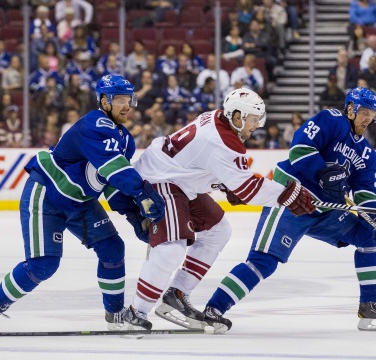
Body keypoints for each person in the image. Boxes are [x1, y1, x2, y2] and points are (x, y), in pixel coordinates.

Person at [0, 75, 167, 334]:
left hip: (80, 202)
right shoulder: (95, 125)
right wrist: (144, 194)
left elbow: (111, 182)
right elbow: (117, 170)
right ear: (103, 101)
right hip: (47, 195)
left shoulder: (125, 140)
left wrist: (133, 214)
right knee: (44, 265)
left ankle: (115, 313)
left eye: (128, 100)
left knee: (112, 248)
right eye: (118, 100)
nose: (126, 105)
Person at [202, 87, 376, 334]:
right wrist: (322, 173)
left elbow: (365, 191)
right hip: (293, 199)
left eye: (373, 114)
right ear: (351, 109)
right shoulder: (331, 120)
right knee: (263, 262)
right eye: (365, 112)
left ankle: (370, 305)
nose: (368, 119)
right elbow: (299, 148)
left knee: (369, 235)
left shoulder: (368, 155)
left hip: (326, 211)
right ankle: (213, 310)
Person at [125, 88, 316, 330]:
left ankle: (177, 295)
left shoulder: (217, 118)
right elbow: (248, 189)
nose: (257, 126)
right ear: (237, 117)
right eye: (254, 119)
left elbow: (204, 162)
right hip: (160, 179)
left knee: (218, 231)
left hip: (180, 180)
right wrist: (285, 194)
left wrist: (227, 183)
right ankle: (135, 312)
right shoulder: (223, 142)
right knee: (172, 248)